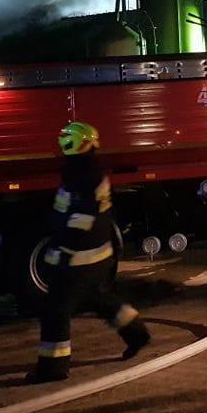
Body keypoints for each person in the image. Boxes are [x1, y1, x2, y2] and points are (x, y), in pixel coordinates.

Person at [25, 121, 150, 384]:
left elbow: (81, 220)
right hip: (95, 257)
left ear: (78, 143)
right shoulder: (85, 172)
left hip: (80, 258)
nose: (62, 144)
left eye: (66, 140)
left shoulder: (82, 175)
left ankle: (53, 368)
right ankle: (137, 334)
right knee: (101, 301)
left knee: (56, 311)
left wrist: (62, 250)